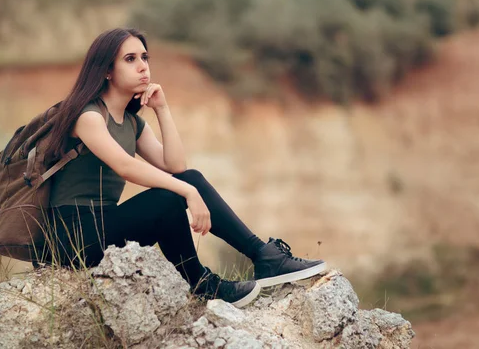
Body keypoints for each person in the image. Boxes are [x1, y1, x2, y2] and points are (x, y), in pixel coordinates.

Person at [44, 28, 326, 308]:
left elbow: (176, 166)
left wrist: (162, 109)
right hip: (72, 237)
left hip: (105, 223)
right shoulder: (88, 116)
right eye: (130, 59)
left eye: (145, 57)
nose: (143, 66)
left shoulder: (131, 124)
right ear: (106, 70)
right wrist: (187, 191)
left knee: (183, 181)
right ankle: (203, 283)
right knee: (169, 196)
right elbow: (125, 167)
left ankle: (263, 256)